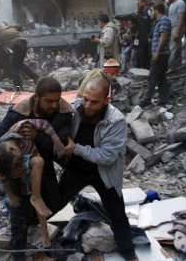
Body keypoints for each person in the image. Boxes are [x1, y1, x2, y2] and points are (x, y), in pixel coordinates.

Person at [0, 77, 73, 260]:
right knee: (18, 214)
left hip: (43, 164)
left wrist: (37, 137)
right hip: (15, 167)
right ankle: (19, 252)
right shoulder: (18, 114)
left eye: (57, 100)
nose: (54, 105)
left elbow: (62, 147)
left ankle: (38, 232)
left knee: (52, 202)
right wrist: (8, 160)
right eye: (49, 101)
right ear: (36, 98)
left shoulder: (63, 114)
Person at [59, 76, 137, 261]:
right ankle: (31, 225)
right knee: (55, 201)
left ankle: (128, 252)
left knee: (117, 214)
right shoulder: (75, 107)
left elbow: (107, 156)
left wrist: (76, 148)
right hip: (77, 168)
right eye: (85, 98)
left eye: (94, 102)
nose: (87, 105)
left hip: (104, 173)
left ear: (106, 101)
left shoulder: (116, 121)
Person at [0, 118, 65, 247]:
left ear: (13, 149)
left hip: (31, 161)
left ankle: (44, 232)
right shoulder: (2, 162)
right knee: (24, 206)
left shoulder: (20, 128)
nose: (18, 169)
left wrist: (56, 141)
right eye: (14, 170)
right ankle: (35, 203)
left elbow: (45, 124)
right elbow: (4, 179)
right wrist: (10, 195)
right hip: (24, 170)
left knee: (38, 189)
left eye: (17, 164)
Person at [139, 4, 172, 108]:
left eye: (152, 11)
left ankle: (146, 99)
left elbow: (163, 36)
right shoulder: (158, 22)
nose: (151, 13)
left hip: (161, 54)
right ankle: (165, 99)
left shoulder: (164, 20)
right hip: (160, 54)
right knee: (161, 77)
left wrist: (157, 52)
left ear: (156, 10)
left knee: (152, 77)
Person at [165, 0, 186, 65]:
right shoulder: (172, 3)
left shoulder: (180, 3)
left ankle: (168, 67)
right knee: (174, 48)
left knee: (172, 48)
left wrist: (177, 32)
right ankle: (175, 66)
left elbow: (181, 18)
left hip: (176, 27)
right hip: (172, 28)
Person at [134, 0, 153, 69]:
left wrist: (150, 36)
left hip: (149, 40)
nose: (137, 6)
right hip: (141, 41)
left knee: (150, 57)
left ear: (143, 3)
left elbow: (153, 25)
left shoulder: (150, 11)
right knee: (142, 58)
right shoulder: (137, 14)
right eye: (136, 4)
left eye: (138, 4)